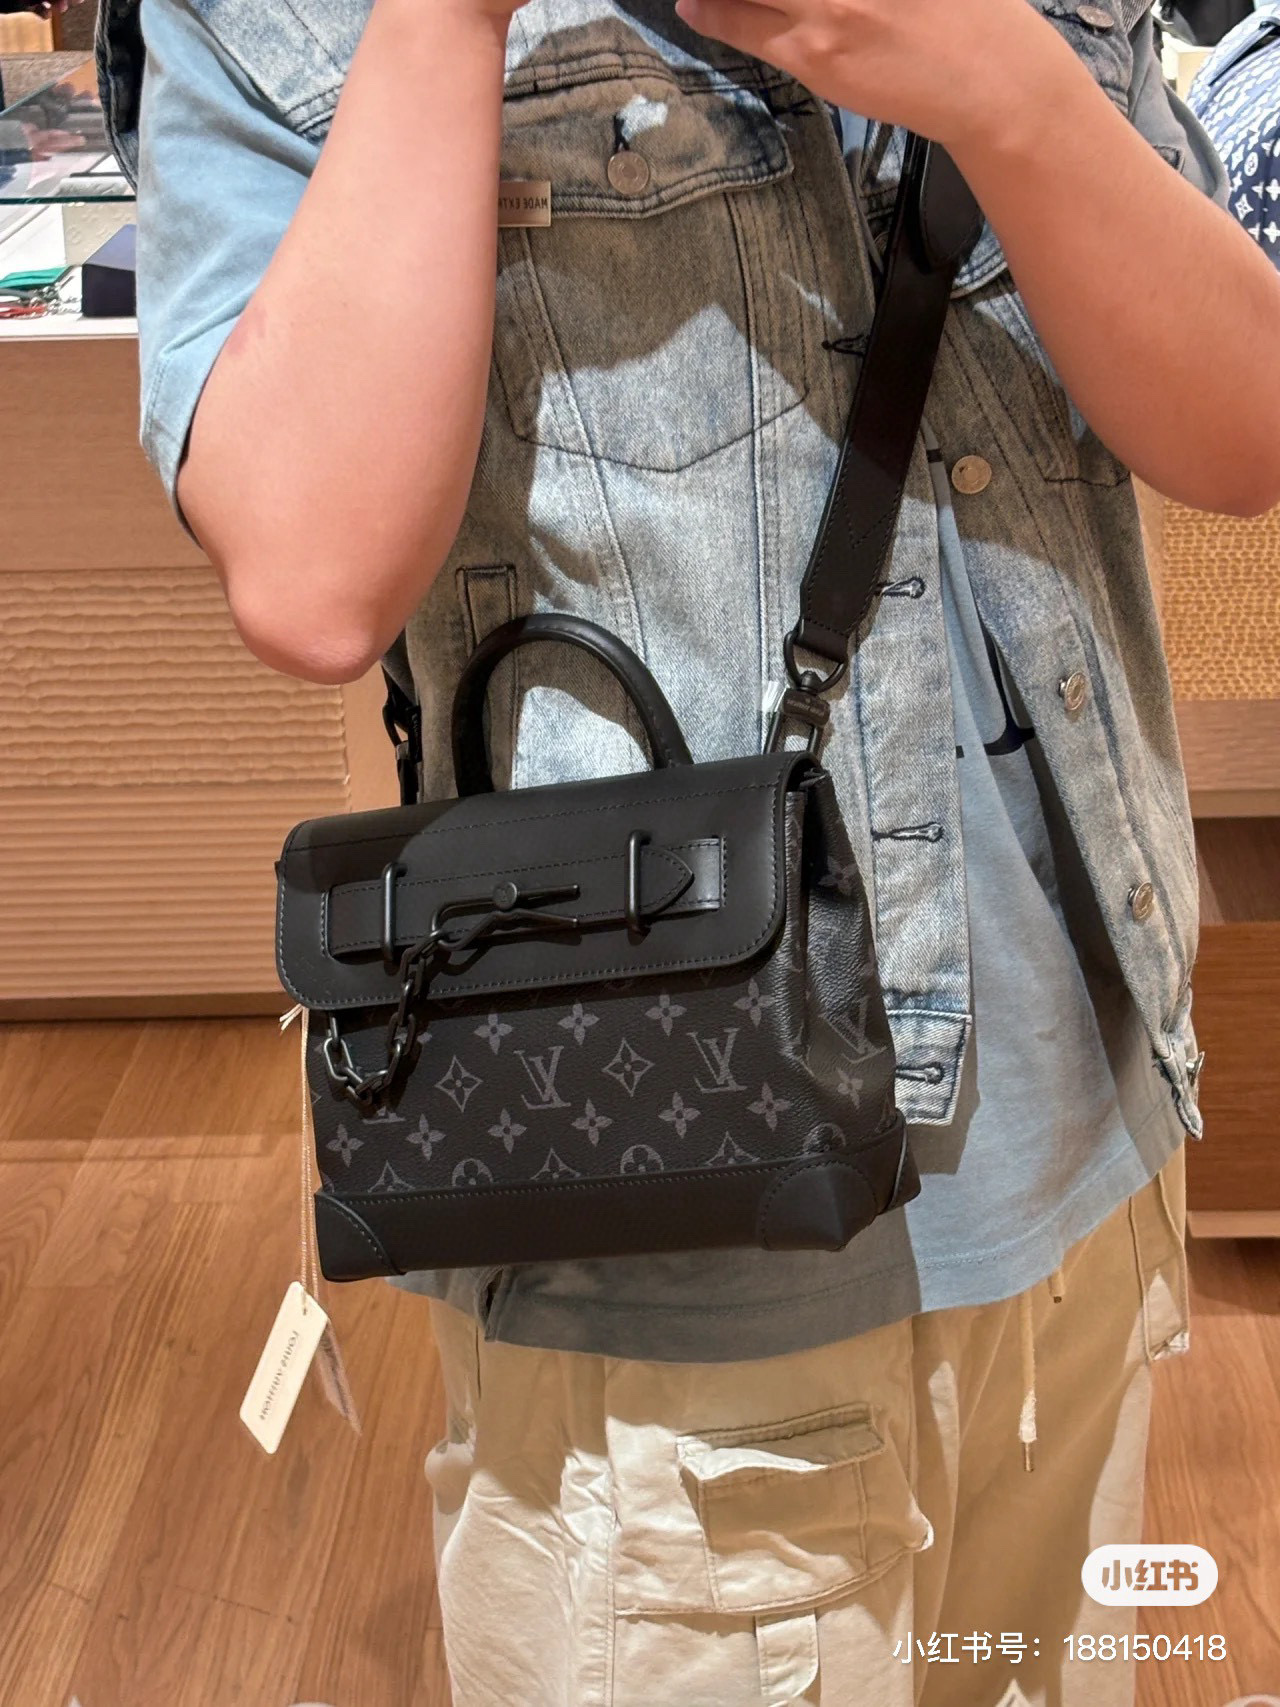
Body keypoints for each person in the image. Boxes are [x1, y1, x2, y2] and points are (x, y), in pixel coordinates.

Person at [97, 0, 1280, 1701]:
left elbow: (1242, 430)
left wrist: (1007, 85)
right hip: (680, 1224)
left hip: (1082, 1141)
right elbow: (312, 571)